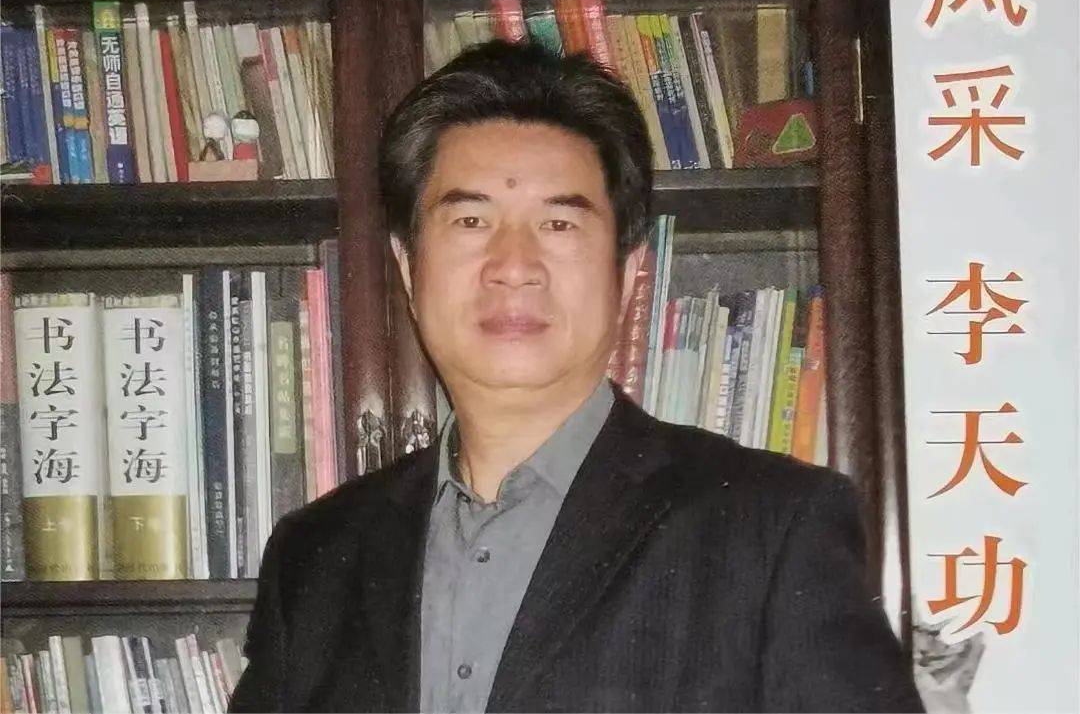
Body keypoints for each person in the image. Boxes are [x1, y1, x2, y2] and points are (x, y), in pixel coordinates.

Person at [229, 40, 924, 713]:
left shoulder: (771, 529)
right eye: (470, 219)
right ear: (409, 270)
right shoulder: (316, 555)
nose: (514, 265)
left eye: (559, 225)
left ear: (628, 274)